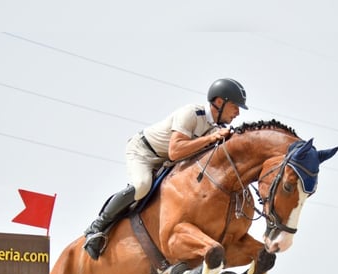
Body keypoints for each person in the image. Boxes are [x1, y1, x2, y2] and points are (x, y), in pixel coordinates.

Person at [82, 78, 248, 260]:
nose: (238, 112)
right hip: (144, 152)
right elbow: (175, 151)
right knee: (142, 185)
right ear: (219, 102)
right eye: (235, 106)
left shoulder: (217, 128)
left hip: (167, 161)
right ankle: (97, 226)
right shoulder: (192, 113)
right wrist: (211, 139)